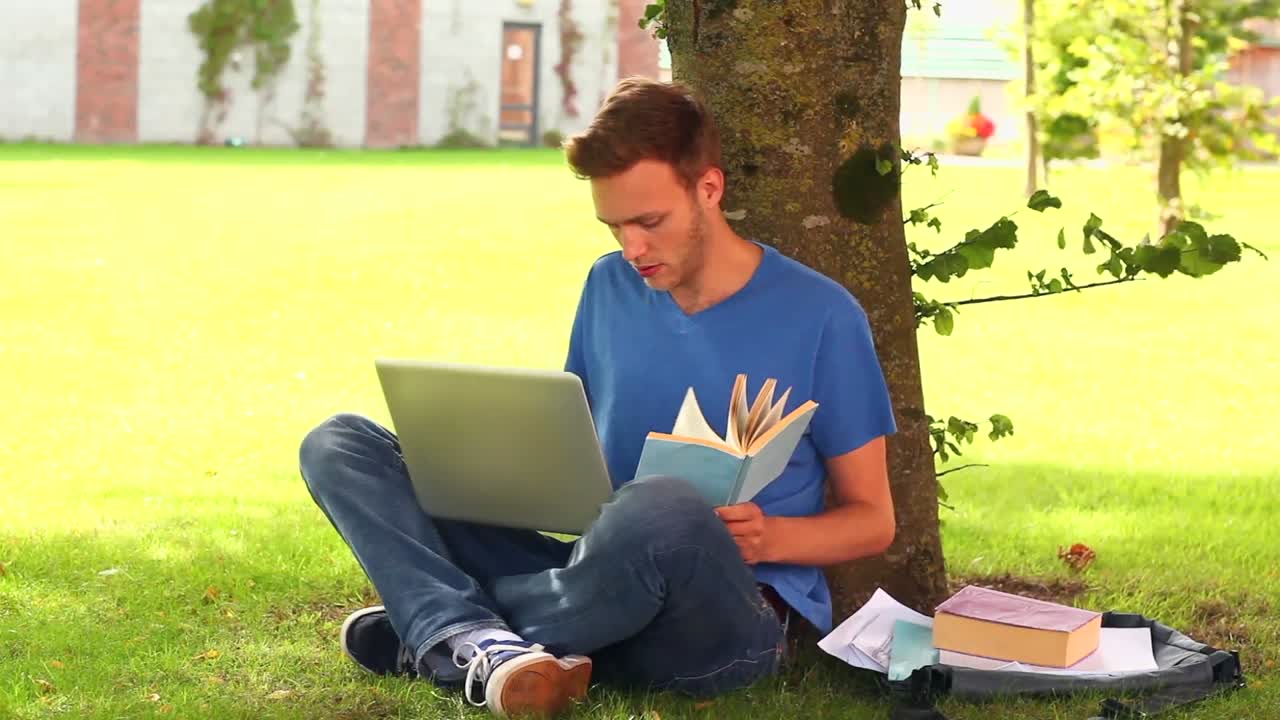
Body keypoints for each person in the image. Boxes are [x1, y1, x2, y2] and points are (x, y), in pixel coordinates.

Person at [299, 77, 898, 718]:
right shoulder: (608, 286)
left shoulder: (822, 315)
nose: (632, 248)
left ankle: (442, 628)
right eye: (614, 225)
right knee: (340, 444)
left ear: (709, 189)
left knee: (664, 506)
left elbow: (873, 521)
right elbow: (573, 452)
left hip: (727, 613)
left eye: (650, 222)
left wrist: (768, 538)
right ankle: (482, 639)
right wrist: (495, 469)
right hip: (591, 569)